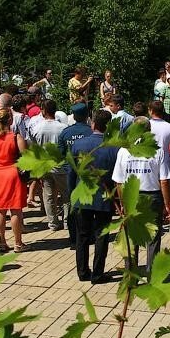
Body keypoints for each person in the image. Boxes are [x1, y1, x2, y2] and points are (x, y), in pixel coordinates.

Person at [112, 116, 170, 274]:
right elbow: (164, 181)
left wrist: (123, 204)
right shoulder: (158, 150)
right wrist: (167, 204)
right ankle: (151, 273)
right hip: (152, 197)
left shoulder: (124, 150)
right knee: (152, 237)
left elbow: (119, 182)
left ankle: (131, 273)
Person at [69, 110, 119, 284]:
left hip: (82, 196)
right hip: (104, 197)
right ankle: (98, 273)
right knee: (101, 236)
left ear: (93, 124)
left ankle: (82, 271)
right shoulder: (114, 148)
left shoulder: (78, 145)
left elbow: (72, 173)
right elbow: (117, 177)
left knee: (82, 236)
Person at [0, 108, 28, 252]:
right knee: (15, 210)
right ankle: (18, 243)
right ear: (10, 120)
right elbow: (25, 157)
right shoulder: (15, 137)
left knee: (0, 209)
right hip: (13, 173)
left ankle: (2, 242)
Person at [58, 102, 93, 247]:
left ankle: (74, 239)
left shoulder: (65, 133)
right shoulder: (91, 132)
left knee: (72, 205)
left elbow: (60, 154)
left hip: (69, 173)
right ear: (87, 116)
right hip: (87, 173)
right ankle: (88, 236)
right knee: (88, 206)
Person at [32, 100, 69, 231]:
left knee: (48, 194)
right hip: (60, 165)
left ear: (43, 111)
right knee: (66, 195)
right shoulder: (63, 128)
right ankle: (67, 222)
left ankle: (52, 222)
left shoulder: (36, 128)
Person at [149, 101, 170, 233]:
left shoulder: (146, 125)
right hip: (166, 164)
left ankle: (154, 222)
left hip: (150, 163)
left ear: (150, 110)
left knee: (152, 194)